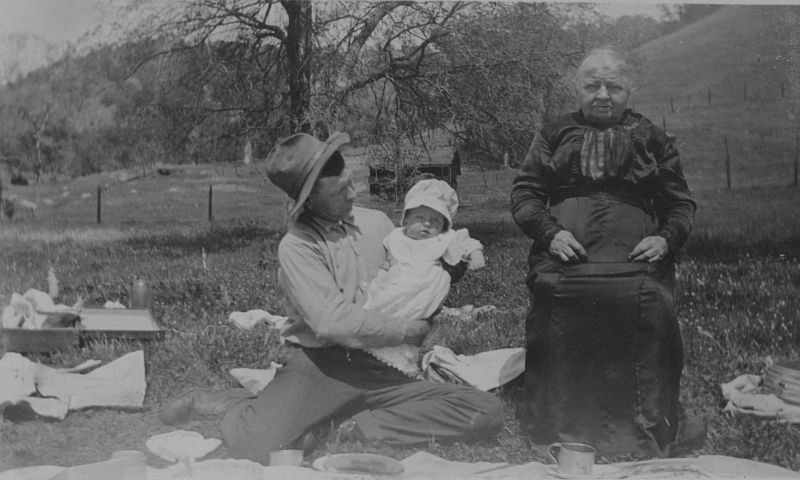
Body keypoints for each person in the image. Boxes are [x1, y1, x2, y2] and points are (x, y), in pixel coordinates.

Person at [159, 132, 504, 465]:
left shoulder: (379, 224)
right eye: (341, 191)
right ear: (309, 200)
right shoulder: (298, 246)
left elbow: (413, 276)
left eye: (352, 182)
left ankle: (348, 426)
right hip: (325, 365)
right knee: (256, 443)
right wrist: (405, 330)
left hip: (384, 365)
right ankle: (233, 404)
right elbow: (330, 322)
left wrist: (449, 271)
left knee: (484, 411)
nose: (354, 193)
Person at [511, 47, 705, 458]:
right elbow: (526, 195)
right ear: (576, 90)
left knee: (652, 304)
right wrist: (550, 233)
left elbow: (680, 204)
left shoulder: (651, 136)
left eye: (613, 86)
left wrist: (665, 239)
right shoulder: (554, 133)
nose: (602, 94)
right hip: (564, 258)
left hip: (636, 262)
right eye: (592, 85)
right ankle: (562, 429)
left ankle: (639, 433)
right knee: (552, 298)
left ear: (628, 90)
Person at [364, 178, 486, 376]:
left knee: (407, 327)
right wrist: (386, 266)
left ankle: (401, 362)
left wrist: (476, 254)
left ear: (444, 225)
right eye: (419, 217)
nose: (427, 224)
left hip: (424, 288)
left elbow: (467, 242)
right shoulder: (396, 237)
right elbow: (390, 257)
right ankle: (371, 347)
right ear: (406, 220)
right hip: (396, 284)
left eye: (435, 220)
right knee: (377, 308)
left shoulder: (443, 239)